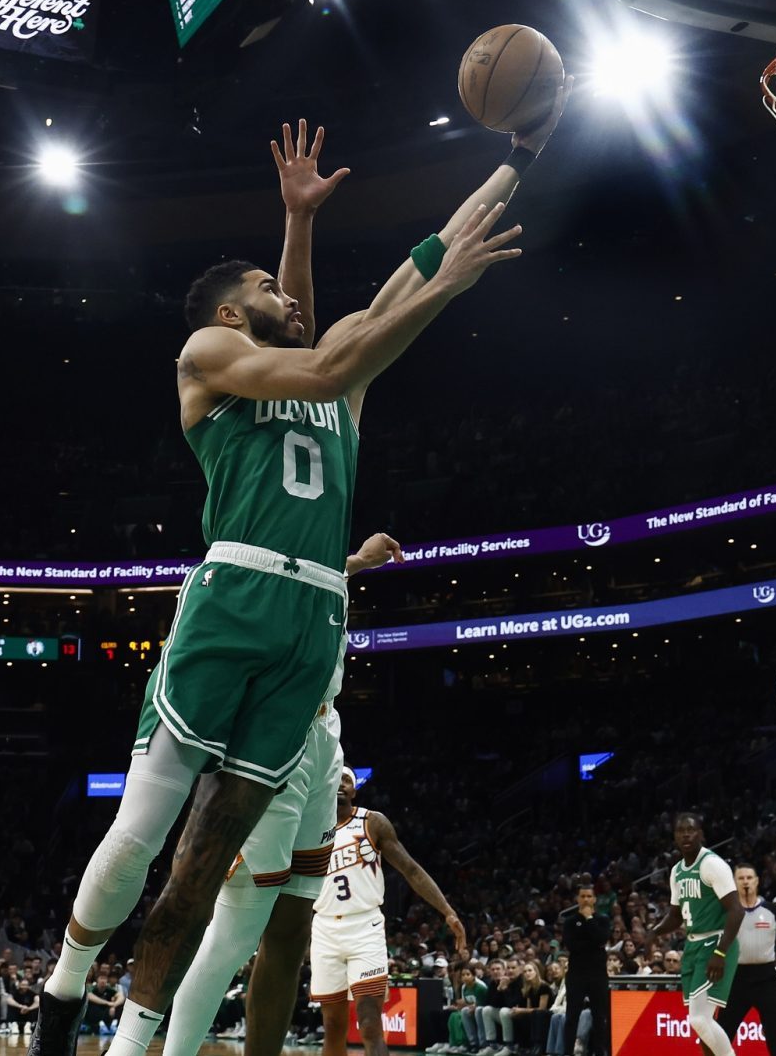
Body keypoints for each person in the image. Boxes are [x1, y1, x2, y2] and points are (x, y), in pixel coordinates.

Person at [32, 94, 567, 1056]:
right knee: (145, 832)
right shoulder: (208, 353)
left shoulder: (339, 371)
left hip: (315, 618)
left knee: (206, 874)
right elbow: (320, 359)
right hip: (234, 595)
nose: (294, 302)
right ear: (237, 313)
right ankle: (64, 993)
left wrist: (521, 155)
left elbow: (426, 256)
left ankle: (135, 1044)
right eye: (272, 293)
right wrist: (430, 291)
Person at [159, 535, 451, 1056]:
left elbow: (323, 571)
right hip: (270, 736)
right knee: (237, 931)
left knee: (291, 929)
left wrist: (359, 562)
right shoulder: (259, 565)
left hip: (324, 732)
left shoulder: (324, 569)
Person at [307, 764, 466, 1056]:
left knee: (369, 1023)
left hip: (364, 927)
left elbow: (411, 870)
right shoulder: (309, 828)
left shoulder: (372, 823)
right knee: (332, 1027)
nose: (340, 785)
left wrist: (447, 911)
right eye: (335, 780)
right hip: (324, 929)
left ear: (354, 790)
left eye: (346, 780)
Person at [636, 814, 746, 1056]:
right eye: (680, 830)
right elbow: (676, 916)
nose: (686, 834)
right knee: (702, 1022)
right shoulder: (676, 871)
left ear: (701, 834)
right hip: (693, 945)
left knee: (698, 1019)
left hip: (715, 942)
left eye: (691, 830)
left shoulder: (712, 864)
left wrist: (720, 952)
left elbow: (737, 910)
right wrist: (653, 932)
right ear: (674, 836)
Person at [716, 866, 776, 1056]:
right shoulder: (726, 911)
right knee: (722, 1032)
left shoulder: (773, 910)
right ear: (734, 882)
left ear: (757, 881)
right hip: (735, 979)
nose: (745, 881)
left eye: (749, 877)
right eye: (741, 878)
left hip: (767, 978)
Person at [564, 885, 612, 1056]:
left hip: (598, 975)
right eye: (582, 896)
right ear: (577, 899)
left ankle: (601, 1052)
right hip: (576, 975)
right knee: (571, 1017)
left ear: (594, 899)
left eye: (589, 896)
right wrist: (592, 942)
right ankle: (567, 1052)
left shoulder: (603, 919)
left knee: (600, 1017)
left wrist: (589, 919)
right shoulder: (569, 921)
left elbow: (602, 939)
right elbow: (571, 945)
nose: (585, 899)